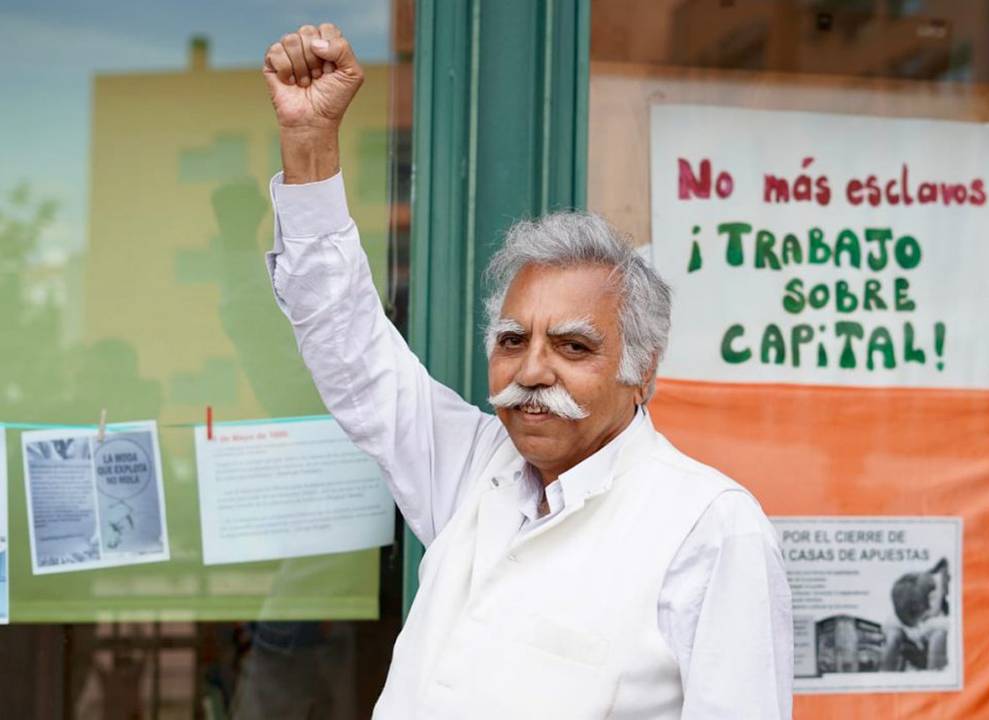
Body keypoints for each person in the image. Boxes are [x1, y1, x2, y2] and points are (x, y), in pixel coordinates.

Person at [262, 23, 793, 719]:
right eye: (512, 340)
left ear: (642, 367)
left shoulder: (710, 527)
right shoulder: (471, 467)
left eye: (573, 347)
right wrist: (309, 144)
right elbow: (350, 347)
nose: (532, 370)